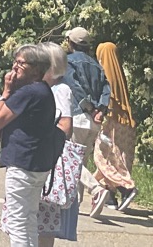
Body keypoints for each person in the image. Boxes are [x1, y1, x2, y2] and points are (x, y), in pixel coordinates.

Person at [0, 45, 61, 247]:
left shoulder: (28, 92)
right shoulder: (44, 90)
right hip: (38, 163)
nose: (15, 66)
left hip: (22, 163)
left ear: (37, 69)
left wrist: (6, 91)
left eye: (21, 63)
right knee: (29, 218)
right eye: (15, 61)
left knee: (17, 223)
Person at [34, 43, 78, 247]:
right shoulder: (41, 87)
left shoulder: (60, 90)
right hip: (40, 156)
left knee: (44, 218)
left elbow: (65, 125)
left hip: (48, 158)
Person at [89, 41, 138, 215]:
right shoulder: (120, 76)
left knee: (102, 157)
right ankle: (110, 196)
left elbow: (106, 101)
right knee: (118, 158)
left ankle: (125, 188)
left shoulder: (105, 77)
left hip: (110, 121)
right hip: (126, 122)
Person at [61, 27, 109, 200]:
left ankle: (96, 189)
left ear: (70, 42)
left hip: (77, 116)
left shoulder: (68, 61)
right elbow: (106, 89)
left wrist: (89, 108)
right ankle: (76, 202)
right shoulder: (96, 65)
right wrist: (101, 110)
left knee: (68, 157)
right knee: (82, 161)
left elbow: (74, 87)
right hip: (94, 122)